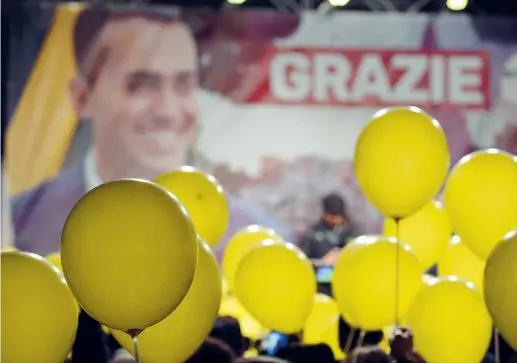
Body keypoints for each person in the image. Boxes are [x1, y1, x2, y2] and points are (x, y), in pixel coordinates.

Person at [11, 7, 292, 257]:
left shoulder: (256, 239)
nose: (167, 111)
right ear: (82, 97)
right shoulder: (19, 223)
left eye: (183, 85)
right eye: (142, 85)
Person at [298, 193, 358, 265]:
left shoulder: (351, 231)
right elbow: (303, 258)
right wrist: (321, 262)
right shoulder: (314, 233)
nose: (336, 219)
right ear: (325, 214)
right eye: (333, 216)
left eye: (338, 216)